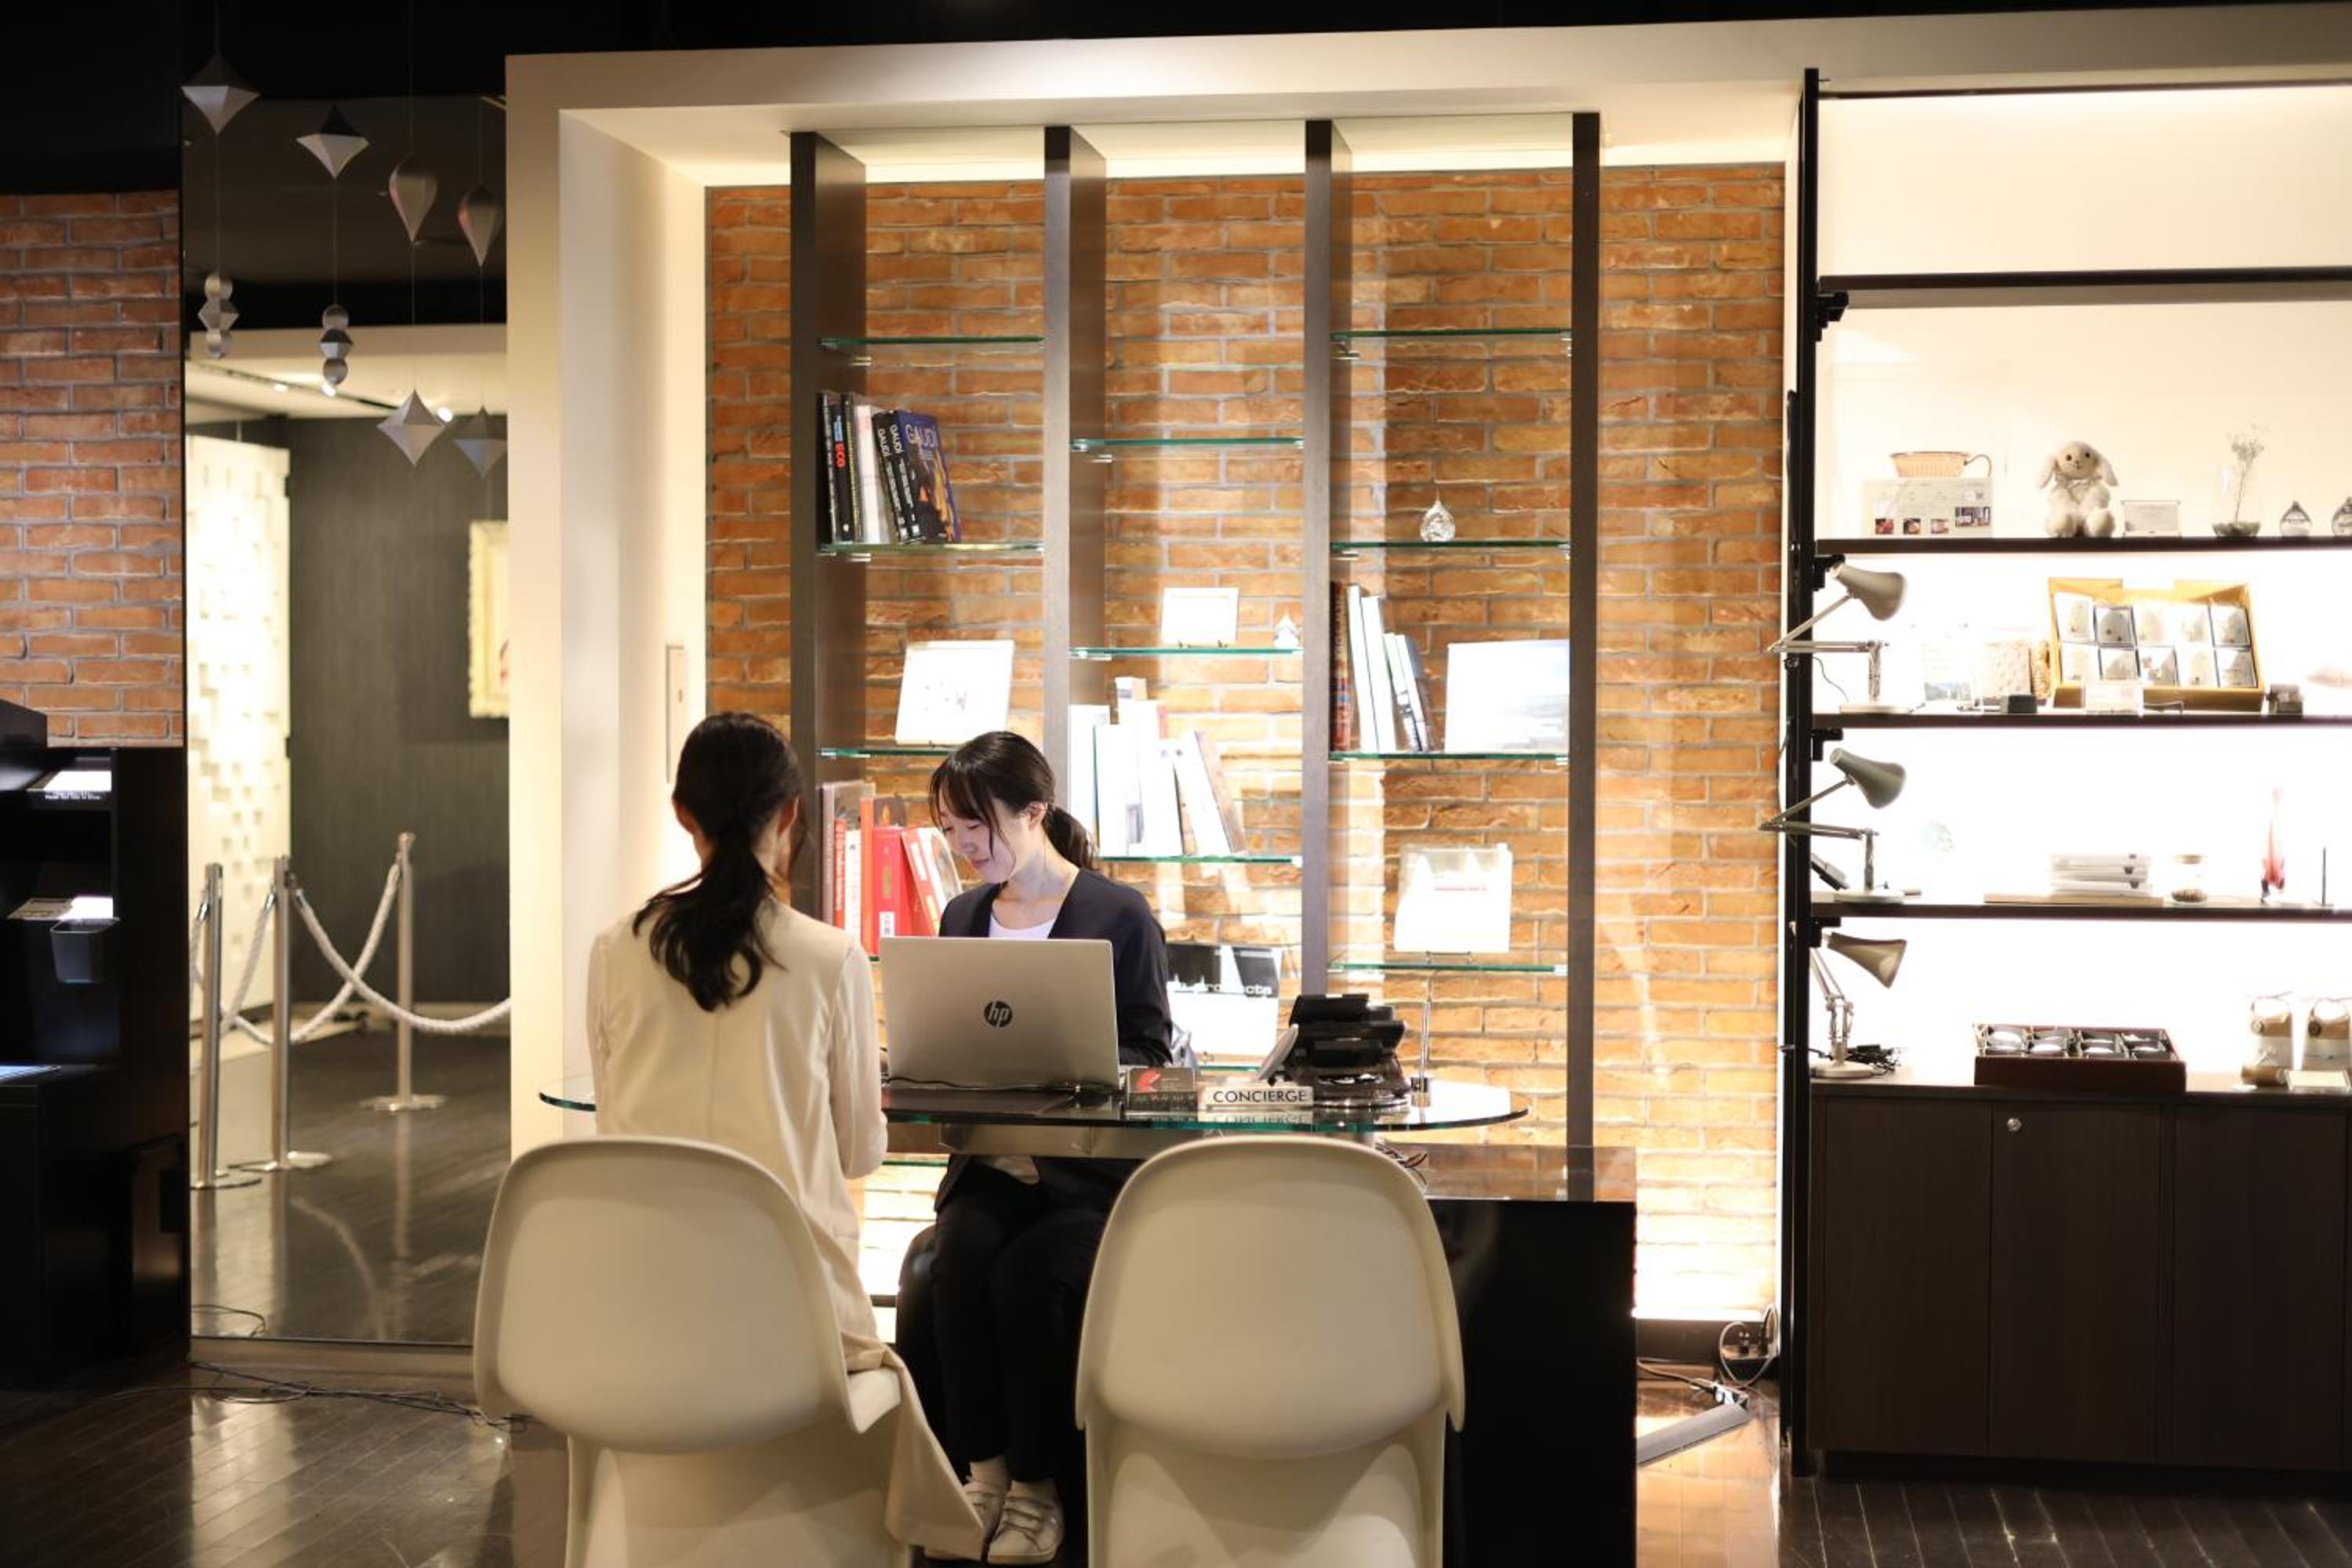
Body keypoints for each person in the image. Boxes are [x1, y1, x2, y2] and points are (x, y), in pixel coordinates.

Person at [585, 712, 982, 1562]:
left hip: (645, 1305)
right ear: (793, 815)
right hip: (794, 1322)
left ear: (682, 814)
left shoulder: (614, 951)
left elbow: (616, 1125)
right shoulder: (831, 957)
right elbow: (860, 1151)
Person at [908, 730, 1174, 1565]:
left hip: (1084, 1177)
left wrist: (1076, 1064)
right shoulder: (962, 917)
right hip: (992, 1166)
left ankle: (1037, 1489)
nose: (963, 845)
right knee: (958, 1258)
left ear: (1035, 811)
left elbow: (1151, 1052)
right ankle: (982, 1474)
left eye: (975, 826)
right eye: (950, 829)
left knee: (1027, 1281)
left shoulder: (1118, 914)